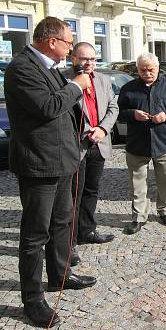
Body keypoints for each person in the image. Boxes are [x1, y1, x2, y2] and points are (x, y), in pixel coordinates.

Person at [4, 16, 95, 327]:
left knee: (62, 222)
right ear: (51, 41)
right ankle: (33, 298)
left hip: (63, 161)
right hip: (39, 164)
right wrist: (75, 86)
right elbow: (47, 107)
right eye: (68, 42)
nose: (71, 48)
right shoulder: (23, 67)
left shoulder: (52, 66)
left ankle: (60, 275)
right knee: (35, 234)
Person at [63, 42, 118, 266]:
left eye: (93, 60)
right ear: (73, 59)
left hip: (99, 142)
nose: (89, 64)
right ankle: (69, 242)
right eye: (84, 59)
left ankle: (87, 230)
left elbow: (113, 107)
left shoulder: (103, 80)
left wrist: (103, 129)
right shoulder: (64, 79)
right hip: (76, 145)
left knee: (91, 191)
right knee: (72, 196)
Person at [118, 53, 166, 234]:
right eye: (142, 70)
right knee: (137, 182)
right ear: (138, 70)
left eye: (150, 70)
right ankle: (139, 216)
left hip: (163, 141)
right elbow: (119, 111)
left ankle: (165, 210)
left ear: (158, 69)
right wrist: (133, 114)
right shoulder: (128, 88)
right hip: (137, 143)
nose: (147, 73)